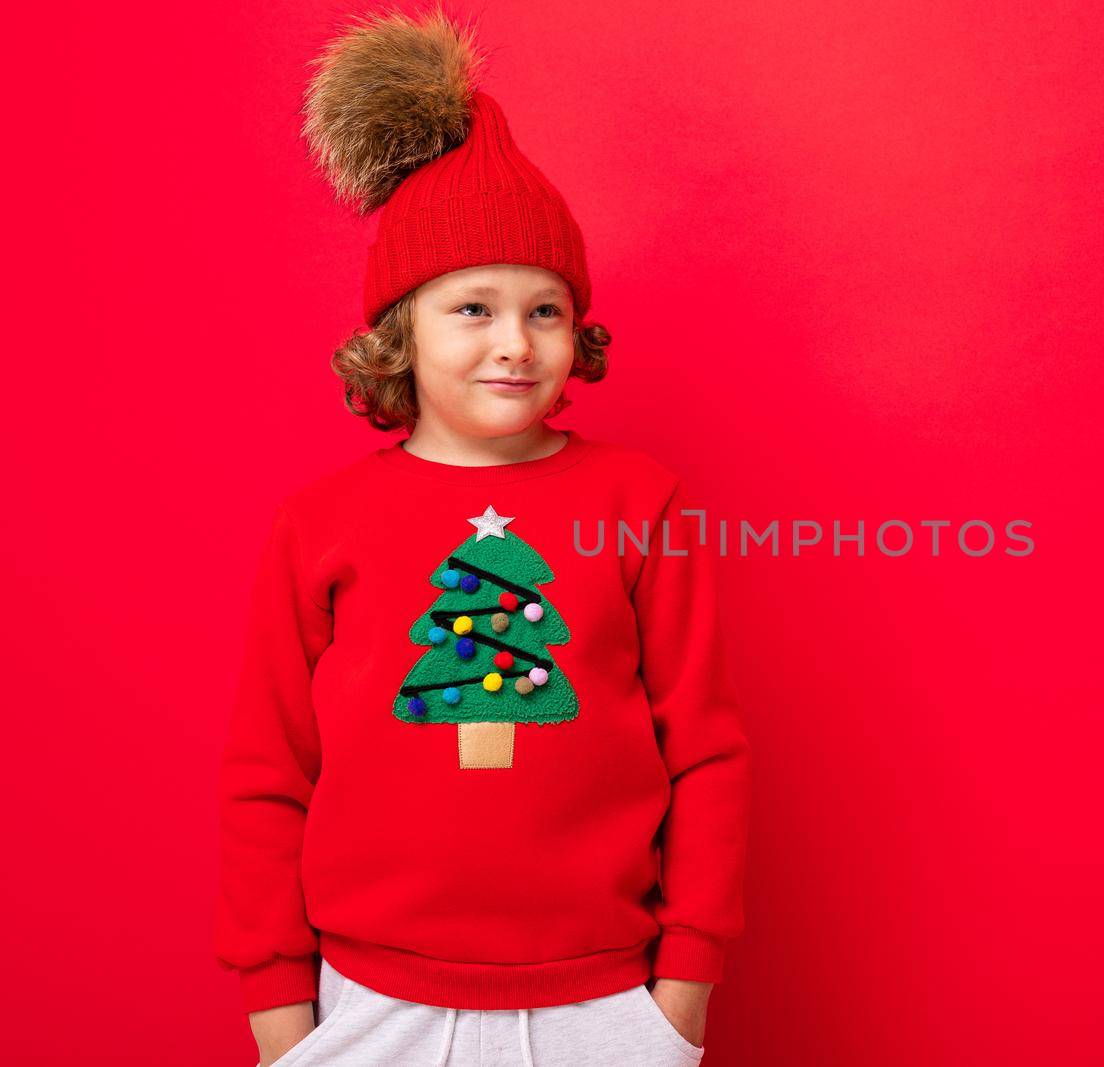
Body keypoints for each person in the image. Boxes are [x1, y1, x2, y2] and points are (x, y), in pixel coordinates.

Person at [213, 7, 752, 1065]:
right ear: (398, 329)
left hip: (608, 998)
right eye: (474, 308)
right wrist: (282, 1010)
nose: (514, 343)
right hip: (366, 997)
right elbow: (267, 769)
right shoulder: (319, 522)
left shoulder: (639, 501)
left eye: (545, 310)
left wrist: (679, 991)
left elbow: (707, 750)